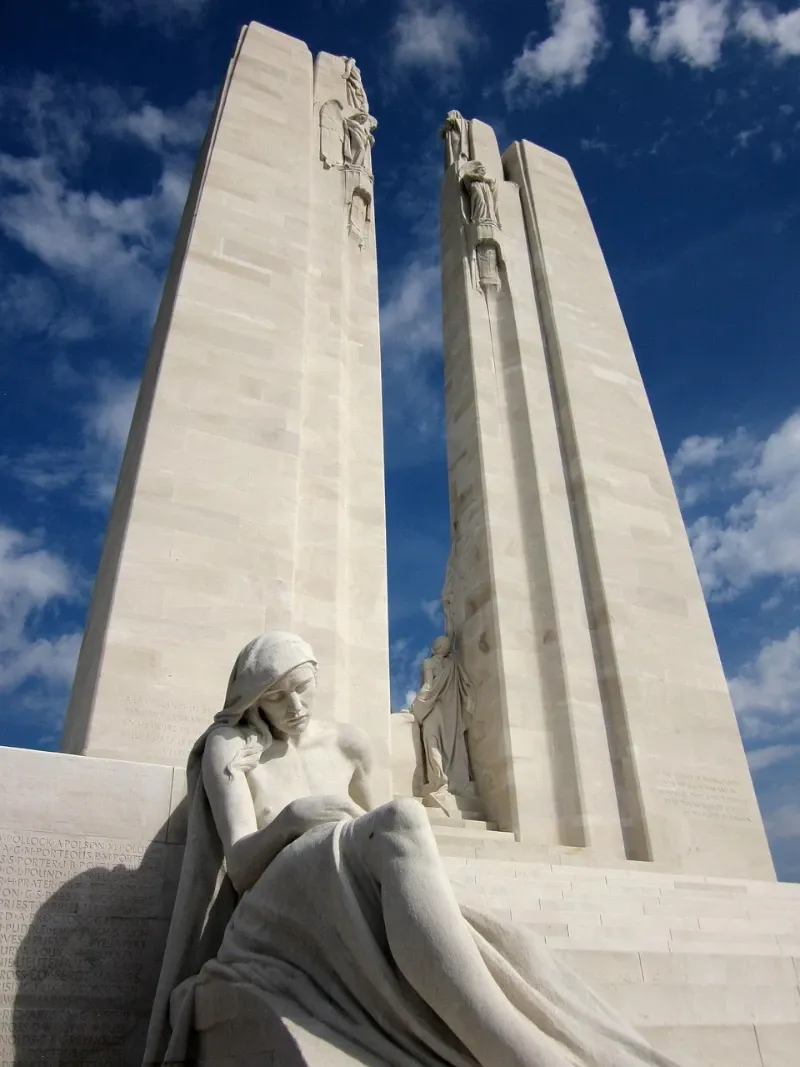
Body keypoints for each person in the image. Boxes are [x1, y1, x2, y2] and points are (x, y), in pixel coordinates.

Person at [145, 631, 685, 1067]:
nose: (293, 706)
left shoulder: (350, 744)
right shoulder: (231, 746)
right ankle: (520, 1055)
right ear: (253, 700)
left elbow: (381, 834)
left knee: (509, 945)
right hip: (276, 902)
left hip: (345, 880)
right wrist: (294, 818)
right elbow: (239, 867)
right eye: (274, 696)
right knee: (405, 818)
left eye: (302, 687)